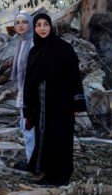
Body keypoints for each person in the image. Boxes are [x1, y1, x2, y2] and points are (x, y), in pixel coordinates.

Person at [23, 12, 86, 186]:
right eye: (38, 25)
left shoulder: (64, 49)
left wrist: (76, 103)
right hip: (41, 107)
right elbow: (29, 82)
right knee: (44, 138)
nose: (42, 28)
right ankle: (48, 173)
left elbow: (74, 77)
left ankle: (62, 176)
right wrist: (28, 108)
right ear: (34, 29)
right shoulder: (34, 52)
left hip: (61, 105)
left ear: (51, 27)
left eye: (46, 24)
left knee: (61, 138)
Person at [10, 12, 35, 165]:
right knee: (26, 129)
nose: (20, 25)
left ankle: (33, 162)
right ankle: (30, 160)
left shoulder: (34, 43)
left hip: (31, 95)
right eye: (17, 22)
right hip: (23, 93)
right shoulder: (20, 43)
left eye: (24, 22)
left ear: (30, 24)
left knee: (30, 129)